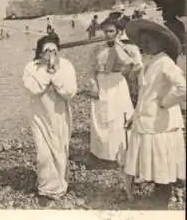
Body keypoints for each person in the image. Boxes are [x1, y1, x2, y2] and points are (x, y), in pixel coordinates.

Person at [123, 19, 186, 204]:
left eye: (149, 40)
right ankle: (159, 191)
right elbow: (144, 95)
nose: (145, 44)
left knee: (162, 158)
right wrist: (134, 116)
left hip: (161, 121)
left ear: (160, 41)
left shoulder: (165, 62)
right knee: (153, 159)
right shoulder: (150, 61)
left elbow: (183, 87)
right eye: (142, 41)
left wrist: (166, 103)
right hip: (148, 119)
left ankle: (163, 197)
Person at [22, 36, 78, 206]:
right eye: (47, 51)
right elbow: (33, 89)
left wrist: (55, 74)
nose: (51, 54)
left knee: (61, 149)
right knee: (44, 154)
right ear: (40, 52)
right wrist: (48, 73)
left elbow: (70, 92)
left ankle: (60, 186)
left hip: (60, 115)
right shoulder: (31, 67)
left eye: (54, 50)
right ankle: (46, 188)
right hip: (40, 116)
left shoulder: (66, 66)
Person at [89, 19, 143, 163]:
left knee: (118, 116)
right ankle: (102, 152)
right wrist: (93, 84)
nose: (107, 34)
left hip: (117, 82)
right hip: (101, 82)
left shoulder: (127, 48)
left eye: (111, 31)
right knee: (101, 115)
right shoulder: (98, 48)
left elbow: (133, 65)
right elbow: (92, 69)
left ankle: (120, 151)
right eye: (105, 31)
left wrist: (119, 46)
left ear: (118, 32)